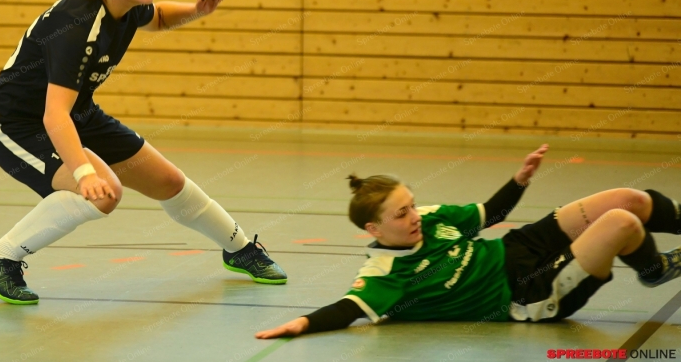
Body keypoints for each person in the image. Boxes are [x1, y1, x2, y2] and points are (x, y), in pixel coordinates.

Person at [0, 0, 287, 305]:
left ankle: (240, 249)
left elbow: (158, 17)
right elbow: (54, 115)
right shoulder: (76, 27)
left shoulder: (125, 5)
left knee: (169, 182)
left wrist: (197, 10)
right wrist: (84, 173)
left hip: (79, 114)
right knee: (103, 194)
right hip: (18, 125)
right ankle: (1, 257)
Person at [255, 144, 681, 338]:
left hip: (518, 248)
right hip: (529, 294)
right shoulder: (385, 274)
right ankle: (654, 269)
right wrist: (301, 324)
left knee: (627, 199)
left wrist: (519, 180)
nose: (415, 216)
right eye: (402, 214)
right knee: (621, 223)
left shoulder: (430, 218)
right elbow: (347, 309)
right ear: (374, 230)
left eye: (412, 205)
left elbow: (490, 214)